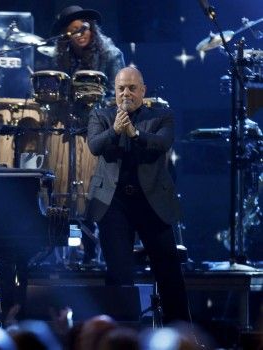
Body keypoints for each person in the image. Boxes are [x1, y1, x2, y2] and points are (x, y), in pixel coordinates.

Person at [86, 66, 191, 323]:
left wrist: (134, 133)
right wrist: (116, 131)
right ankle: (122, 334)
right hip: (114, 203)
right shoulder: (101, 114)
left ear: (143, 90)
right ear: (114, 91)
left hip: (151, 200)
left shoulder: (161, 115)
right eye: (121, 88)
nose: (126, 94)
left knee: (168, 271)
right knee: (119, 273)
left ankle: (181, 333)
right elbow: (95, 145)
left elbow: (162, 143)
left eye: (132, 88)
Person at [50, 5, 125, 265]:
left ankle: (101, 252)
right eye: (72, 32)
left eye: (82, 28)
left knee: (99, 196)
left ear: (91, 28)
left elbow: (120, 97)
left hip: (101, 130)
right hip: (72, 131)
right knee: (70, 195)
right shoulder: (62, 58)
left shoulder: (111, 54)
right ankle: (75, 249)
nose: (79, 34)